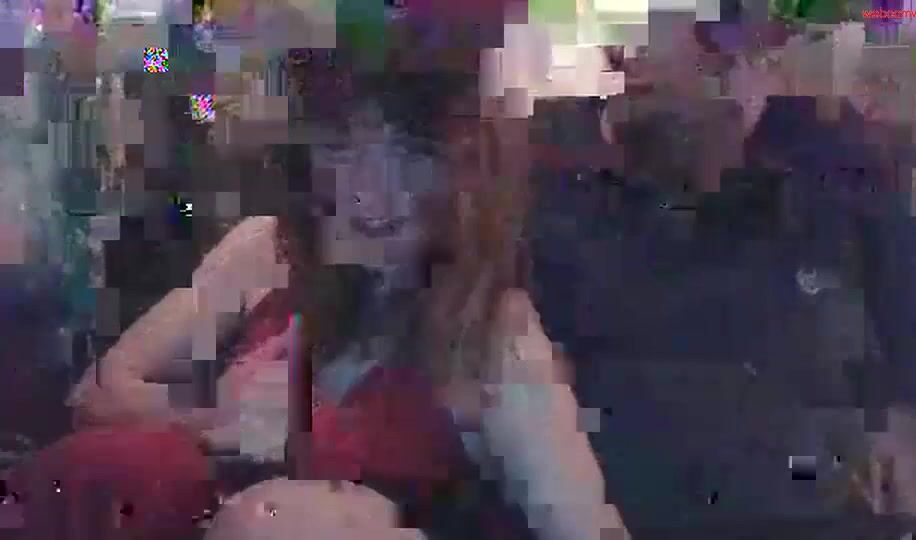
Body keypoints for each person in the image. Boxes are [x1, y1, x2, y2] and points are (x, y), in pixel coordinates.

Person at [5, 2, 630, 540]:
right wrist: (214, 421)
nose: (370, 193)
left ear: (465, 168)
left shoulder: (494, 333)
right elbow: (97, 392)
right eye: (343, 148)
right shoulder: (264, 251)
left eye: (410, 154)